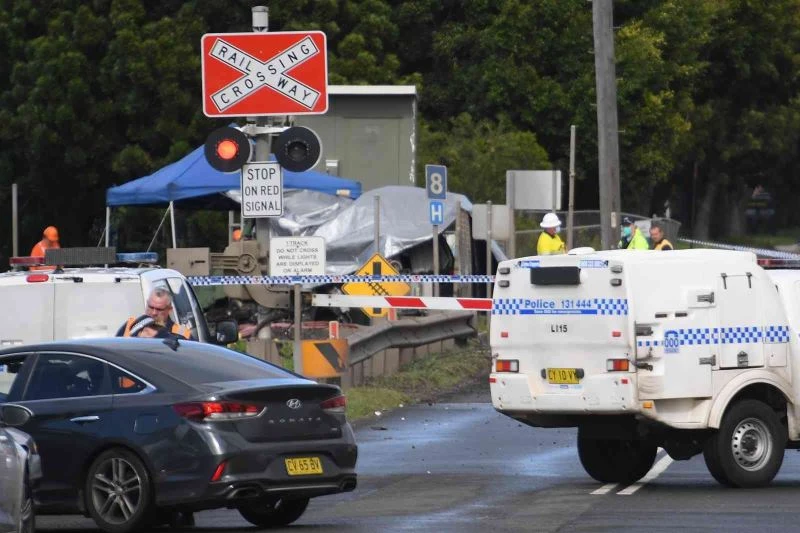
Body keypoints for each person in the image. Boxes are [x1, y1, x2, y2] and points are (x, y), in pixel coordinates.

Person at [116, 288, 192, 339]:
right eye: (151, 307)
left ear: (169, 309)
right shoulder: (131, 325)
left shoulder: (181, 332)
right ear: (147, 303)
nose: (154, 313)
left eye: (159, 309)